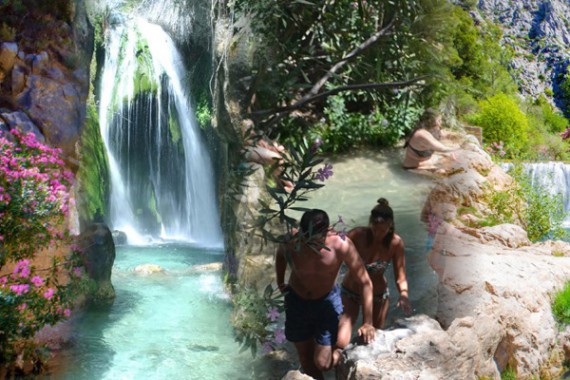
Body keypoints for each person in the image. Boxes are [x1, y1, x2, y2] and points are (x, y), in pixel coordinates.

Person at [275, 209, 375, 380]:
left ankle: (344, 338)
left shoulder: (341, 244)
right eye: (306, 238)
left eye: (315, 240)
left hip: (325, 302)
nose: (310, 244)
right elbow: (281, 256)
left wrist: (368, 322)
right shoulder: (291, 240)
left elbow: (365, 282)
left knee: (322, 363)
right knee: (306, 359)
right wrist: (280, 281)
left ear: (327, 230)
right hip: (297, 301)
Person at [336, 198, 412, 349]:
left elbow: (400, 275)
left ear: (390, 227)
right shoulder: (357, 235)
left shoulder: (396, 244)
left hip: (378, 296)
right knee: (340, 341)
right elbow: (335, 255)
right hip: (350, 292)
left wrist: (403, 294)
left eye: (382, 231)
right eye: (375, 229)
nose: (378, 234)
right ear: (370, 224)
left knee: (372, 340)